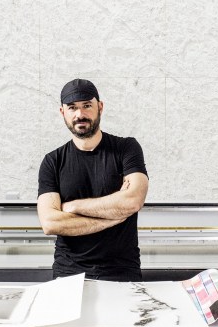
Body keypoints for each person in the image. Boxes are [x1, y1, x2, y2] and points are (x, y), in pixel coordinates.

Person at [36, 79, 149, 281]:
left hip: (122, 270)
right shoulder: (52, 161)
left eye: (87, 106)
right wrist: (114, 216)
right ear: (63, 112)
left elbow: (132, 201)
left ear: (100, 107)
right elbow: (50, 223)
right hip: (68, 272)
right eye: (72, 108)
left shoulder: (126, 149)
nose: (80, 114)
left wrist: (72, 207)